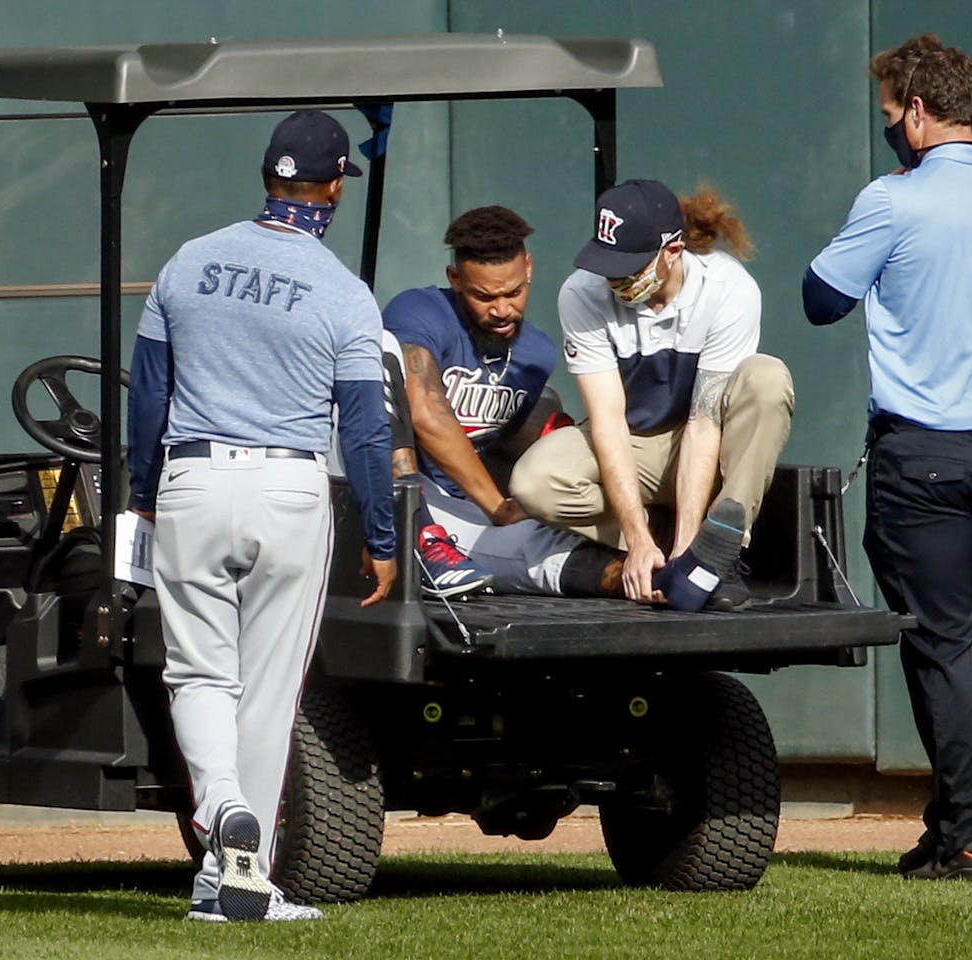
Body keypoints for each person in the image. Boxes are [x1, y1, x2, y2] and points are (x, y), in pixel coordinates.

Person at [126, 110, 396, 922]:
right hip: (290, 489)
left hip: (193, 479)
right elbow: (367, 429)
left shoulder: (188, 260)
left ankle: (219, 820)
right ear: (333, 188)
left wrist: (143, 494)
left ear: (267, 177)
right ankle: (244, 874)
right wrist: (382, 537)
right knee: (269, 696)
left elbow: (146, 393)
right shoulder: (345, 293)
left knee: (199, 675)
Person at [803, 39, 972, 880]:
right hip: (932, 455)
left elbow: (820, 298)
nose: (887, 131)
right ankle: (954, 826)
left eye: (888, 115)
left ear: (914, 110)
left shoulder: (894, 200)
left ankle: (964, 835)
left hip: (930, 458)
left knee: (945, 649)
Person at [510, 180, 794, 612]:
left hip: (703, 441)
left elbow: (704, 423)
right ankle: (654, 546)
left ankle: (717, 552)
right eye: (608, 265)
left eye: (629, 267)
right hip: (636, 443)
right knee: (534, 481)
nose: (614, 279)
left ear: (673, 252)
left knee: (767, 378)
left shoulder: (728, 287)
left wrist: (687, 550)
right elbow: (607, 420)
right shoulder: (581, 293)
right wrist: (638, 538)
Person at [381, 206, 625, 599]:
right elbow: (427, 415)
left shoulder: (537, 354)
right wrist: (497, 507)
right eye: (484, 296)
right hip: (402, 493)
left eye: (513, 292)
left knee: (544, 550)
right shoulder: (420, 311)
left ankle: (669, 578)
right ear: (455, 279)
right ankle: (422, 539)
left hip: (468, 509)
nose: (501, 309)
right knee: (378, 359)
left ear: (528, 268)